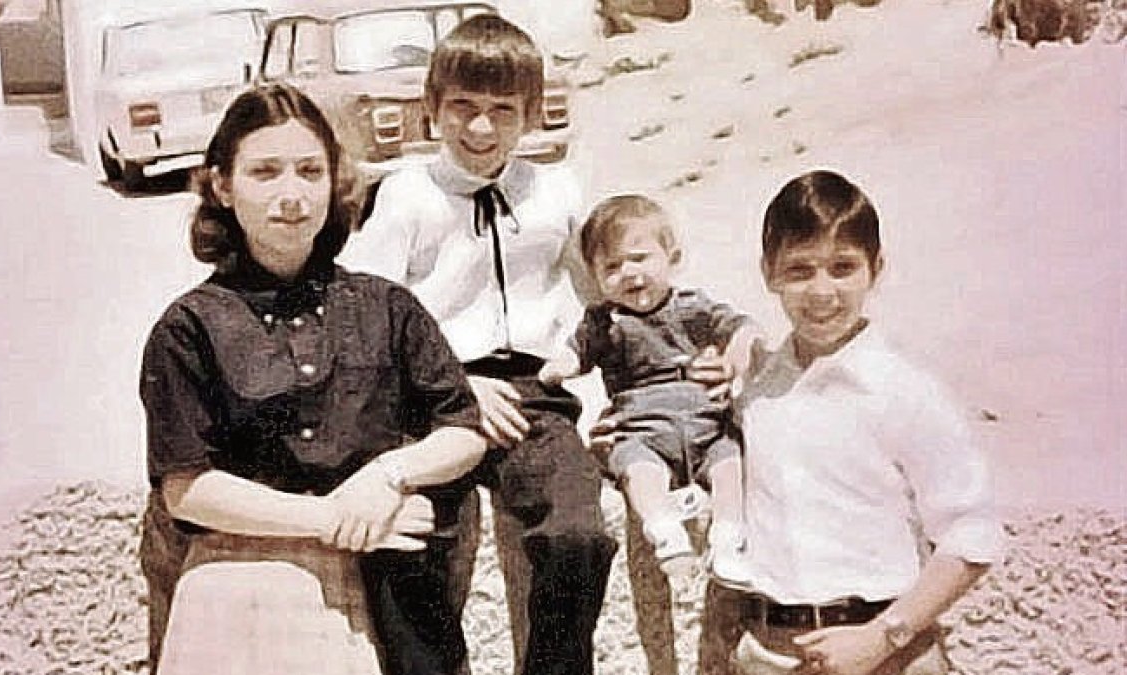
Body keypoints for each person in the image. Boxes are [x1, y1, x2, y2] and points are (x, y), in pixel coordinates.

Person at [137, 83, 487, 675]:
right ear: (223, 186)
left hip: (390, 572)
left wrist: (388, 475)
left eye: (309, 171)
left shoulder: (386, 306)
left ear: (334, 182)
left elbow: (463, 428)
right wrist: (336, 521)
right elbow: (186, 488)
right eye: (265, 172)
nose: (291, 195)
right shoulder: (189, 326)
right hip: (243, 567)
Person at [337, 13, 617, 675]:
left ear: (530, 114)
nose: (482, 128)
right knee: (411, 544)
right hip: (429, 397)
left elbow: (604, 302)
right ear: (433, 108)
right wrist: (454, 386)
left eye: (502, 110)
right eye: (463, 107)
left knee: (578, 531)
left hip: (535, 398)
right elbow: (367, 317)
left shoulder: (556, 190)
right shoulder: (406, 194)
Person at [692, 170, 1003, 674]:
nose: (821, 292)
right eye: (799, 270)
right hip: (771, 650)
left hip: (885, 649)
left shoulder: (905, 391)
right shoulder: (757, 393)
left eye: (842, 268)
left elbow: (974, 537)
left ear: (875, 269)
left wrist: (883, 637)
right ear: (769, 273)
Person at [538, 194, 763, 587]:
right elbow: (579, 352)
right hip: (642, 426)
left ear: (671, 258)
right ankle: (663, 530)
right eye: (612, 267)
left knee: (730, 463)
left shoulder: (692, 306)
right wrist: (562, 367)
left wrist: (739, 352)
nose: (628, 273)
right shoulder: (604, 321)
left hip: (706, 423)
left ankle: (728, 538)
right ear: (594, 277)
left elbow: (738, 327)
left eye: (639, 258)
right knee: (636, 467)